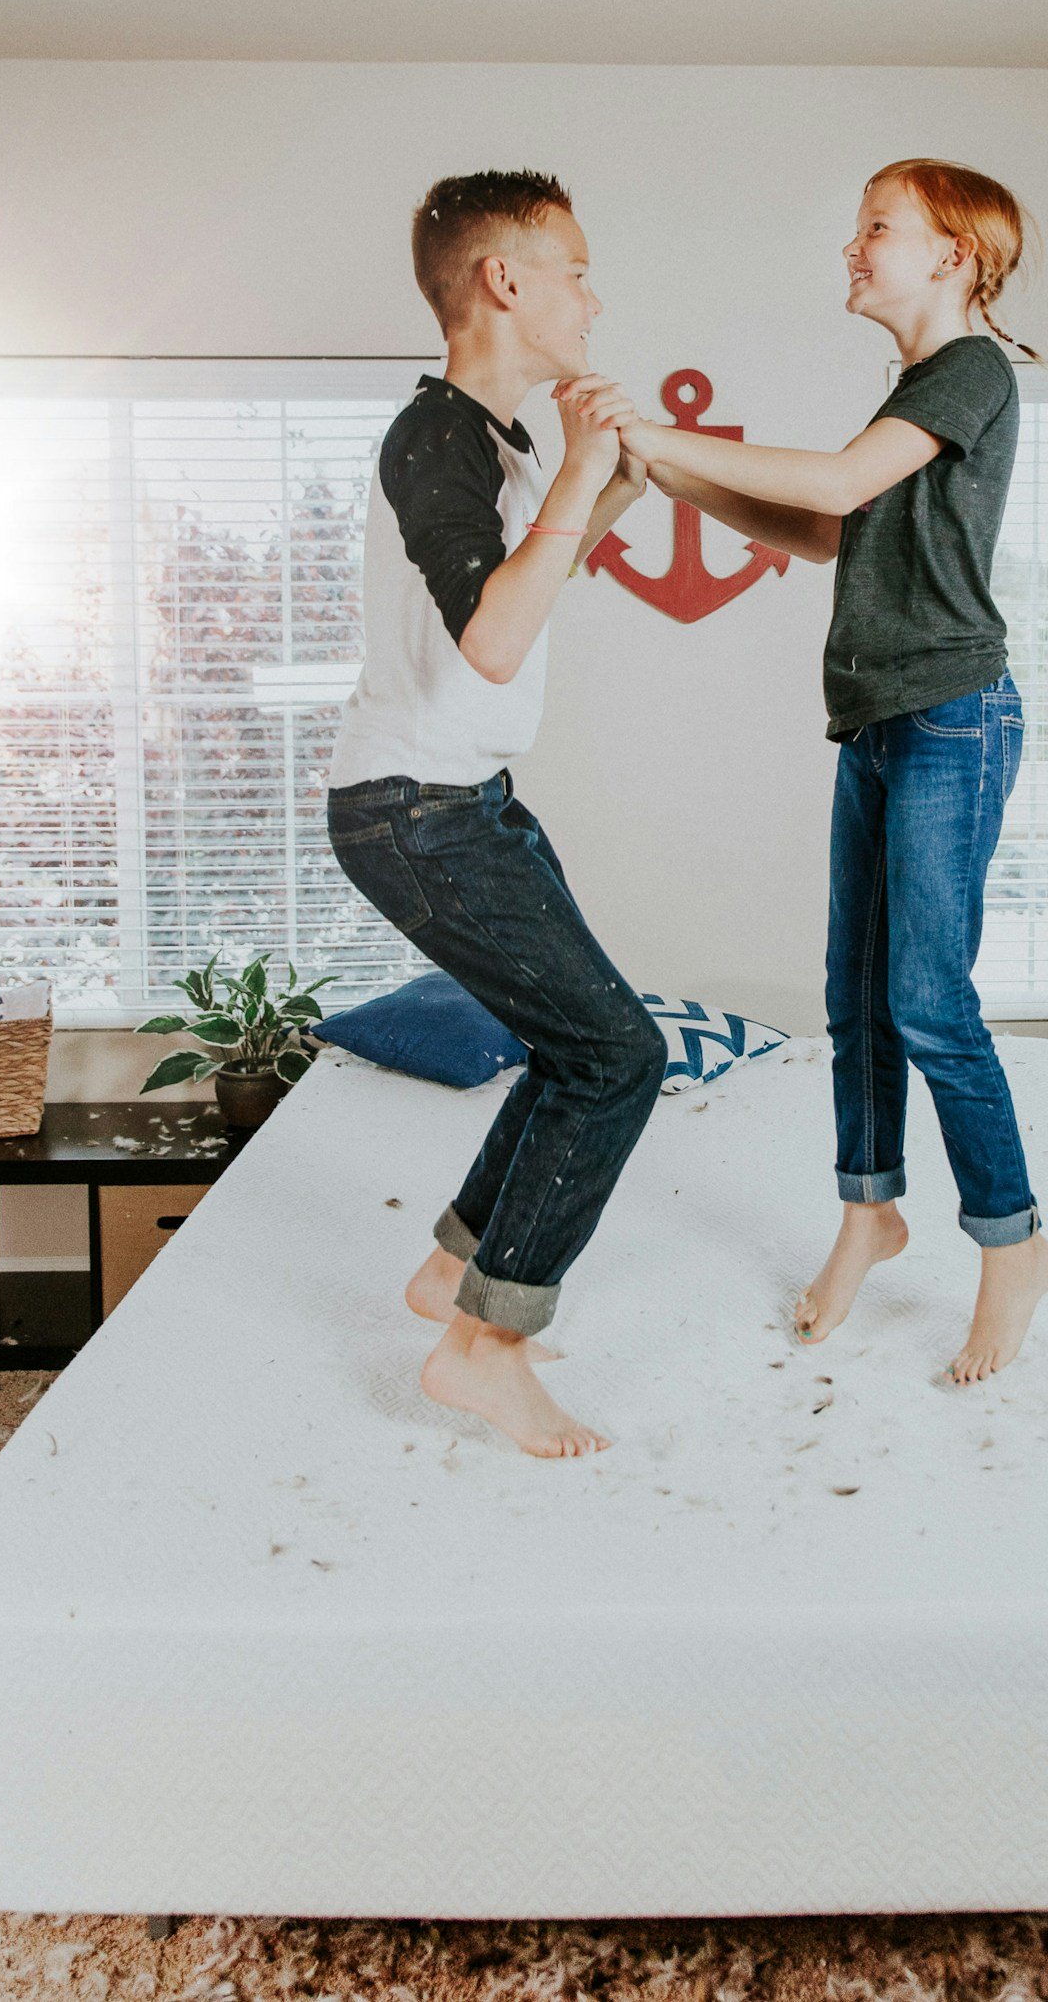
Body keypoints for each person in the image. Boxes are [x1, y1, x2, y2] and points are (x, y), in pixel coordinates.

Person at [614, 160, 1048, 1384]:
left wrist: (657, 432)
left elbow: (835, 482)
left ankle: (1013, 1241)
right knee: (854, 996)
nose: (852, 248)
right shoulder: (912, 390)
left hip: (951, 719)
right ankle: (869, 1208)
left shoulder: (970, 370)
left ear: (952, 256)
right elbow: (820, 529)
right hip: (875, 723)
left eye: (876, 229)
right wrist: (671, 474)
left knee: (926, 999)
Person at [327, 169, 666, 1459]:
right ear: (505, 282)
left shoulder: (500, 442)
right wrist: (585, 470)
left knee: (575, 1042)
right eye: (573, 266)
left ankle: (450, 1275)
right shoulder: (434, 438)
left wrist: (609, 480)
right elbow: (490, 641)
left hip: (466, 801)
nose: (594, 291)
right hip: (415, 810)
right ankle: (483, 1347)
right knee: (617, 1057)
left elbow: (536, 574)